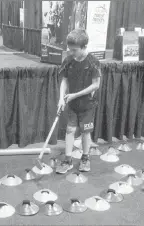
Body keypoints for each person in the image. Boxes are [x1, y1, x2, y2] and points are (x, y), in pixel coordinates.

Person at [56, 29, 101, 174]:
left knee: (85, 132)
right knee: (69, 130)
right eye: (70, 49)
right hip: (72, 104)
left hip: (87, 104)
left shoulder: (93, 62)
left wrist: (75, 95)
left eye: (74, 50)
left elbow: (96, 85)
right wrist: (61, 99)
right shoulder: (68, 61)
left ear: (84, 47)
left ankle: (85, 158)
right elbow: (64, 81)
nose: (71, 52)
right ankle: (68, 160)